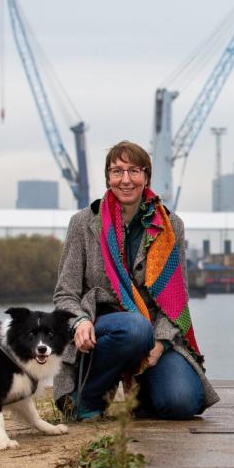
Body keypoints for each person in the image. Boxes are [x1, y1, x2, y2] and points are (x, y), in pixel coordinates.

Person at [53, 140, 219, 420]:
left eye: (134, 171)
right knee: (133, 328)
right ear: (108, 178)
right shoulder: (83, 223)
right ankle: (86, 397)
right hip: (102, 329)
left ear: (146, 176)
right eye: (117, 171)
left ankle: (141, 392)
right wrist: (79, 321)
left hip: (154, 330)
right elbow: (65, 294)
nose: (125, 179)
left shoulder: (170, 226)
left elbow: (177, 300)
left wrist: (161, 344)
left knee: (182, 403)